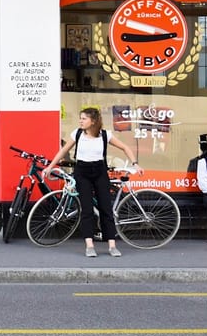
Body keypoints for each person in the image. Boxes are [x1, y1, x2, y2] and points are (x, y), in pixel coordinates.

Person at [44, 107, 142, 259]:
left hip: (99, 171)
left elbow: (124, 147)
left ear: (93, 121)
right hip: (82, 172)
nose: (80, 121)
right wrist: (50, 167)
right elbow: (63, 152)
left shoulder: (104, 135)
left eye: (84, 118)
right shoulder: (76, 134)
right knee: (87, 209)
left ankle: (112, 245)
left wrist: (135, 163)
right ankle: (90, 245)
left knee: (106, 208)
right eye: (80, 118)